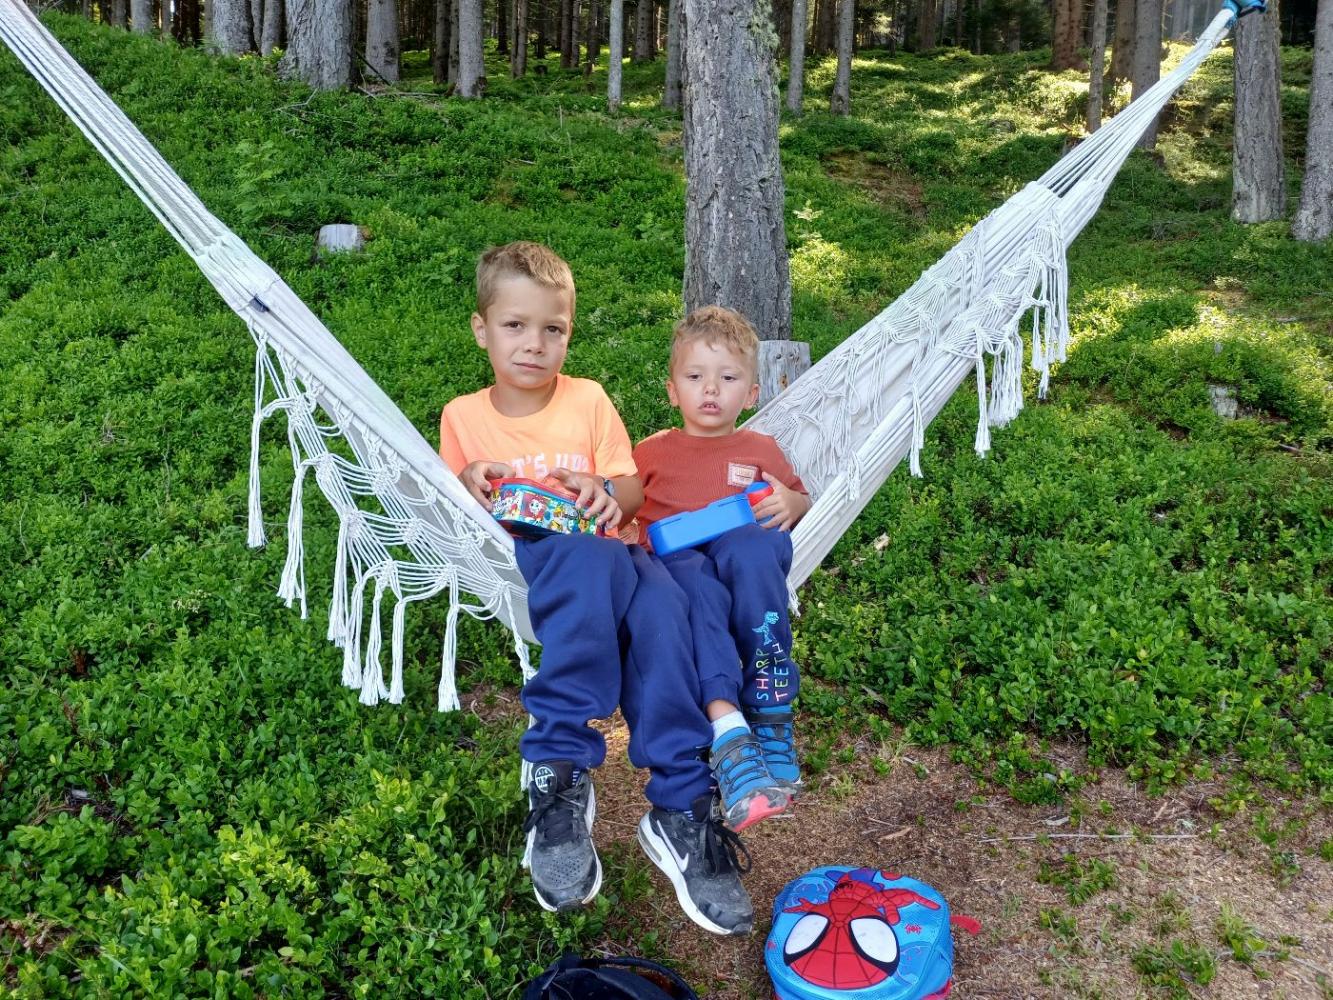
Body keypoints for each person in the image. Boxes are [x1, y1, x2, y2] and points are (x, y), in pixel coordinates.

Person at [439, 243, 753, 936]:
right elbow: (452, 515)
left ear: (569, 333)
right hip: (538, 563)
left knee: (666, 611)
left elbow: (631, 490)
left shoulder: (587, 399)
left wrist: (603, 489)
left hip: (617, 550)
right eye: (515, 325)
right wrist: (466, 482)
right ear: (481, 329)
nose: (534, 343)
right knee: (586, 557)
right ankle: (557, 763)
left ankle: (680, 804)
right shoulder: (462, 416)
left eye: (552, 329)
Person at [632, 306, 810, 833]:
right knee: (690, 580)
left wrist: (793, 503)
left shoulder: (761, 449)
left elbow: (798, 499)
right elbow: (625, 517)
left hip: (746, 568)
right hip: (683, 574)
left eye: (728, 378)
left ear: (751, 394)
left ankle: (771, 713)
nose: (710, 390)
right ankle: (731, 738)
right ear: (672, 391)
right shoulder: (650, 454)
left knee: (752, 544)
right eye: (695, 377)